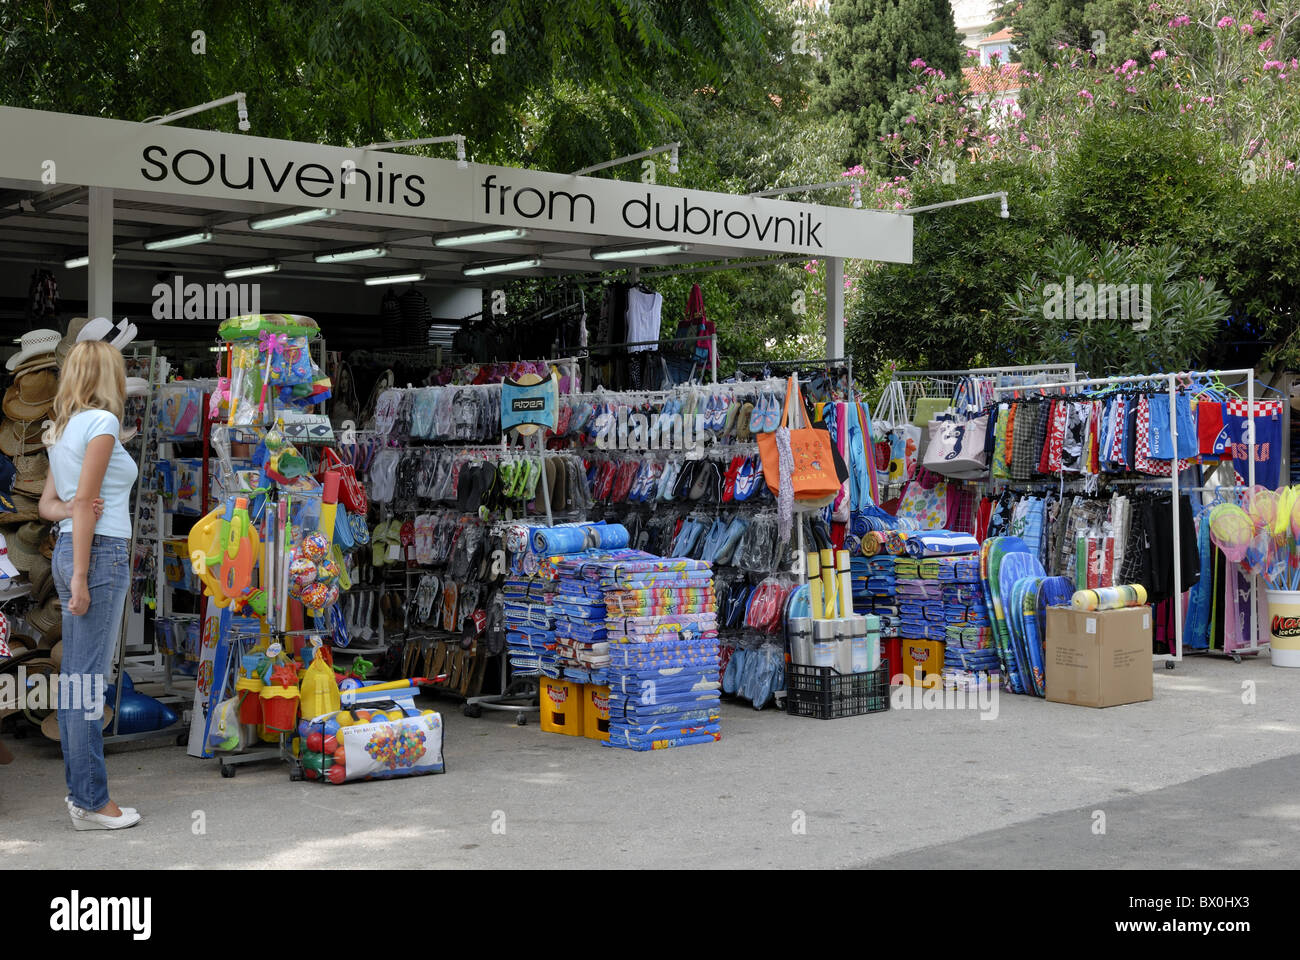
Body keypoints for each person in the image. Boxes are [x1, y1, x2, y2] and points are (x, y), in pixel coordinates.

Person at [39, 340, 140, 831]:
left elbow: (49, 506)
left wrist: (77, 509)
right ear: (108, 377)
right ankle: (93, 802)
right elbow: (80, 504)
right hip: (97, 555)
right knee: (87, 683)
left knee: (78, 680)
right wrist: (81, 576)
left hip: (73, 549)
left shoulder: (61, 429)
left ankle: (85, 798)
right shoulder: (101, 424)